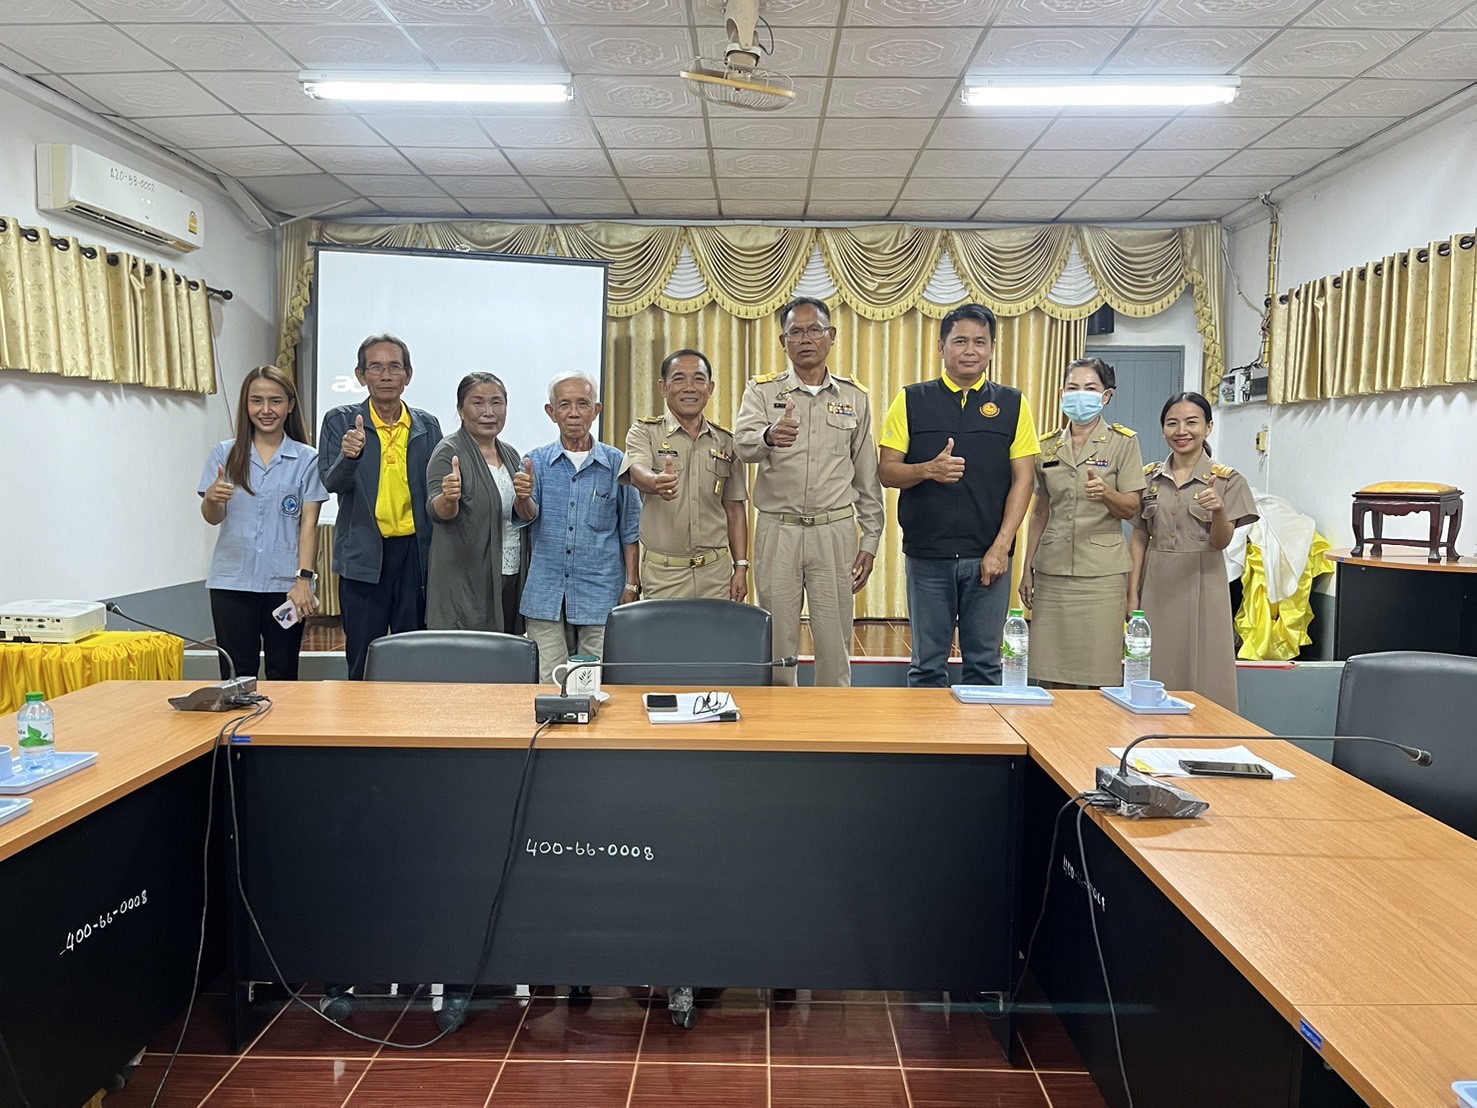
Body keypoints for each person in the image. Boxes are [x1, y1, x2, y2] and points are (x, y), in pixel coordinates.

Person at [877, 303, 1039, 687]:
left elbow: (1024, 481)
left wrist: (1001, 547)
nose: (970, 350)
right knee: (927, 665)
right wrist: (927, 470)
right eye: (960, 341)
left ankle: (981, 748)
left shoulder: (1013, 404)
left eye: (979, 342)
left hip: (989, 559)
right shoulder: (912, 399)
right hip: (927, 557)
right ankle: (929, 747)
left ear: (992, 348)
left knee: (985, 664)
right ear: (941, 347)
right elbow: (886, 471)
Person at [735, 296, 884, 687]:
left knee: (834, 645)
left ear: (830, 336)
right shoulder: (762, 392)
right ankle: (780, 734)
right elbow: (743, 445)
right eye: (795, 332)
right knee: (777, 646)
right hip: (778, 530)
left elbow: (866, 476)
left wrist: (870, 540)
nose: (806, 339)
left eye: (814, 329)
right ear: (783, 341)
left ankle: (834, 735)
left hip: (833, 533)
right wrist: (768, 435)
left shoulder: (854, 397)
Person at [319, 334, 443, 681]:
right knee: (362, 656)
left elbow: (435, 489)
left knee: (414, 656)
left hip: (413, 557)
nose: (386, 375)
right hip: (363, 554)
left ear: (408, 375)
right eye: (376, 367)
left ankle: (409, 731)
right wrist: (349, 455)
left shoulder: (427, 425)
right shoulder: (340, 420)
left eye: (394, 367)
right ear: (361, 375)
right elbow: (332, 484)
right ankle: (361, 732)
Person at [1019, 357, 1146, 688]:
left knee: (1097, 674)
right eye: (1073, 388)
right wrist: (1026, 568)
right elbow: (1039, 512)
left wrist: (1106, 494)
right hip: (1052, 572)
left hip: (1100, 575)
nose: (1080, 395)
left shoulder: (1123, 443)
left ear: (1106, 397)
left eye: (1090, 388)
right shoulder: (1047, 446)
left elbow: (1132, 507)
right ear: (1061, 393)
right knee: (1045, 673)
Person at [1129, 391, 1259, 709]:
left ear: (1209, 427)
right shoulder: (1148, 479)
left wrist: (1218, 512)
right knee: (1155, 666)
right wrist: (1131, 593)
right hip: (1157, 584)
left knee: (1208, 671)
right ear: (1163, 430)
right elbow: (1138, 538)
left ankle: (1210, 742)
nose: (1181, 431)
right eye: (1172, 423)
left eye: (1191, 422)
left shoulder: (1227, 481)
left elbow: (1221, 542)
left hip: (1205, 581)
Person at [198, 366, 327, 680]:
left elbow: (309, 525)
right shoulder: (224, 454)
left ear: (290, 405)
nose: (266, 410)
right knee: (235, 677)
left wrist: (303, 581)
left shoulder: (307, 458)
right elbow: (212, 518)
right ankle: (238, 731)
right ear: (246, 405)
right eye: (257, 401)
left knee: (283, 674)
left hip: (285, 587)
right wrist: (212, 499)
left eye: (276, 401)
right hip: (231, 585)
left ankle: (280, 731)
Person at [518, 371, 641, 684]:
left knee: (592, 682)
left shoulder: (618, 464)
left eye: (582, 404)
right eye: (565, 405)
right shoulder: (535, 461)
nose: (574, 412)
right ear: (552, 412)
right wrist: (522, 496)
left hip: (602, 590)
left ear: (596, 410)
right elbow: (527, 515)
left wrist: (632, 585)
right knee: (549, 681)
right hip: (546, 592)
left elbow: (630, 530)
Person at [620, 349, 749, 601]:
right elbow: (636, 471)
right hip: (664, 575)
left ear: (710, 388)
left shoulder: (726, 441)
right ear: (663, 387)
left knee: (716, 641)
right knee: (666, 642)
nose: (689, 387)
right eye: (678, 379)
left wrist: (741, 566)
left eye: (699, 379)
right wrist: (655, 482)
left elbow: (734, 508)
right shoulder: (644, 432)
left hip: (716, 574)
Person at [426, 372, 534, 632]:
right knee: (468, 662)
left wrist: (525, 497)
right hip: (466, 581)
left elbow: (522, 515)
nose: (489, 412)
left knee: (506, 656)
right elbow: (438, 510)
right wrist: (449, 498)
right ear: (461, 410)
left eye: (497, 402)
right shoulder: (448, 451)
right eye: (478, 403)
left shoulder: (509, 453)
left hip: (509, 573)